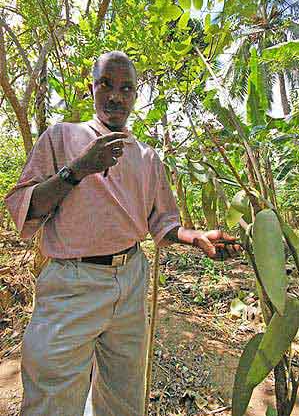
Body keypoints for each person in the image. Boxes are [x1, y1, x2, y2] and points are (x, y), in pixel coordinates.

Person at [5, 51, 238, 416]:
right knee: (53, 398)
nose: (115, 96)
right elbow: (23, 206)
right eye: (106, 85)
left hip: (130, 279)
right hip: (71, 282)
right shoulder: (62, 137)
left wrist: (195, 237)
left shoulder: (146, 157)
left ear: (135, 96)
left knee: (124, 395)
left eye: (125, 88)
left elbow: (162, 223)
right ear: (91, 88)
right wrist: (78, 169)